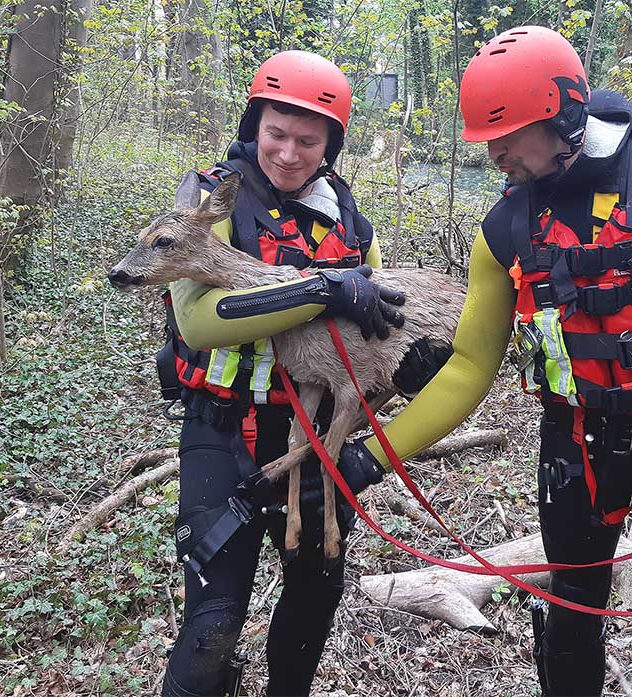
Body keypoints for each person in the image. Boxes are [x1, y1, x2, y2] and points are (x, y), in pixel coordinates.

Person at [320, 26, 632, 697]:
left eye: (509, 136)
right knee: (571, 629)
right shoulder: (506, 228)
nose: (495, 154)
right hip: (576, 454)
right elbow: (467, 369)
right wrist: (368, 459)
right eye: (489, 139)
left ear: (561, 116)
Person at [157, 50, 413, 697]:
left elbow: (381, 321)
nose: (289, 152)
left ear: (330, 145)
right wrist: (323, 286)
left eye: (308, 139)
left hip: (316, 442)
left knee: (311, 604)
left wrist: (414, 368)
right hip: (222, 433)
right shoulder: (206, 198)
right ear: (253, 122)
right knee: (211, 628)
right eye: (276, 132)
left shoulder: (349, 220)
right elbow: (198, 321)